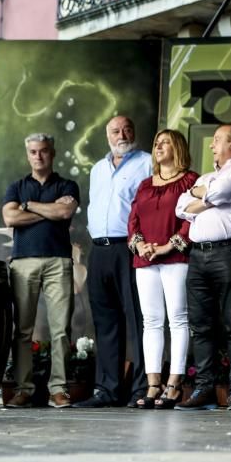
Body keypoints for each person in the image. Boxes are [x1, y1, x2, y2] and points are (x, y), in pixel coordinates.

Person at [74, 115, 152, 408]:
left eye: (127, 129)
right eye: (115, 130)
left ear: (134, 132)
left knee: (138, 319)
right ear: (107, 135)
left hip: (129, 247)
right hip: (100, 250)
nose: (122, 134)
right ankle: (107, 390)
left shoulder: (146, 163)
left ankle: (142, 389)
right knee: (106, 322)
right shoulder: (97, 168)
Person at [176, 124, 231, 410]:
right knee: (200, 325)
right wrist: (203, 193)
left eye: (218, 140)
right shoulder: (208, 176)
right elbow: (180, 207)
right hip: (197, 255)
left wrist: (200, 195)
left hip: (228, 252)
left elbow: (219, 193)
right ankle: (204, 387)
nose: (211, 146)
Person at [1, 133, 80, 408]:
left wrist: (30, 206)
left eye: (43, 151)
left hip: (59, 261)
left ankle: (58, 390)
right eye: (33, 152)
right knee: (23, 330)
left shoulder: (67, 184)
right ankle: (23, 389)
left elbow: (65, 213)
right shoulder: (16, 186)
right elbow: (10, 217)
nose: (38, 156)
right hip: (23, 263)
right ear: (28, 155)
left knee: (61, 330)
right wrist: (51, 209)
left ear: (52, 153)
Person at [126, 129, 197, 409]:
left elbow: (192, 217)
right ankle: (153, 383)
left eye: (165, 142)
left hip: (175, 258)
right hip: (145, 260)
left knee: (178, 319)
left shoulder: (190, 180)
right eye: (156, 142)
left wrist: (169, 246)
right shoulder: (145, 184)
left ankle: (174, 384)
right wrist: (140, 244)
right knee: (152, 322)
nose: (159, 146)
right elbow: (133, 220)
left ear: (177, 147)